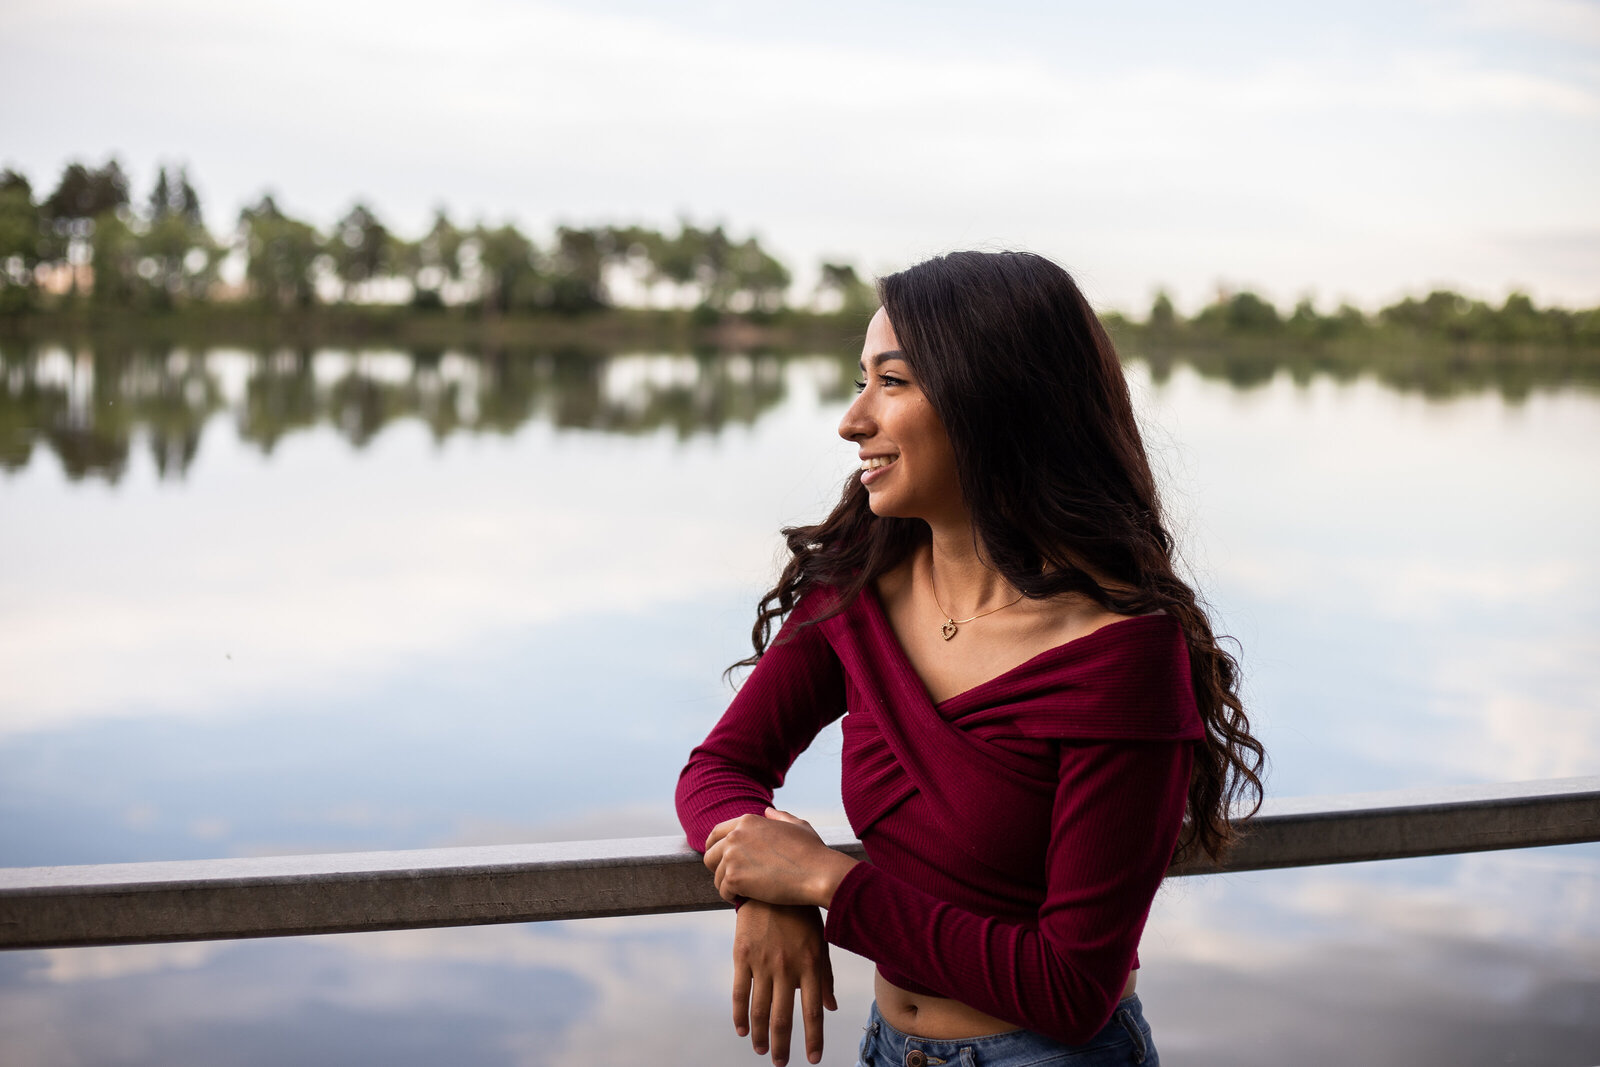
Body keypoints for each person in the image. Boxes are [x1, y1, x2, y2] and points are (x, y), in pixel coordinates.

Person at [676, 250, 1264, 1067]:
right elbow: (720, 767)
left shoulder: (1121, 658)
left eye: (894, 381)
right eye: (860, 381)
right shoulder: (859, 589)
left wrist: (825, 884)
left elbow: (1071, 986)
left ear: (994, 401)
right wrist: (760, 879)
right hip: (886, 1047)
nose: (853, 421)